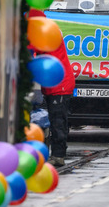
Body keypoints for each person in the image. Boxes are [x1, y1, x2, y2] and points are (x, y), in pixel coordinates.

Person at [27, 9, 75, 167]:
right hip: (55, 83)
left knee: (58, 121)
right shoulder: (47, 29)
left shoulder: (45, 32)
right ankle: (57, 153)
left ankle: (58, 155)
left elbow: (30, 48)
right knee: (56, 119)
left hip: (60, 84)